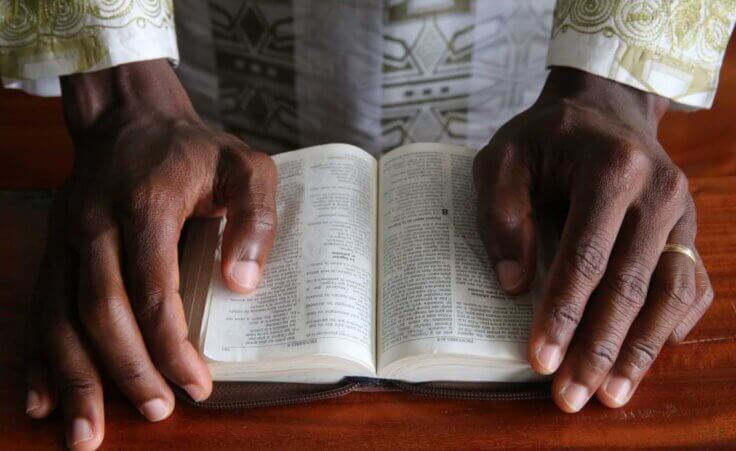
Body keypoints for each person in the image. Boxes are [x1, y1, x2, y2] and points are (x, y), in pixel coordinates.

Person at [2, 1, 734, 449]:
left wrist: (618, 84)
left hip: (527, 70)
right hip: (195, 68)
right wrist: (120, 89)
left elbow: (620, 75)